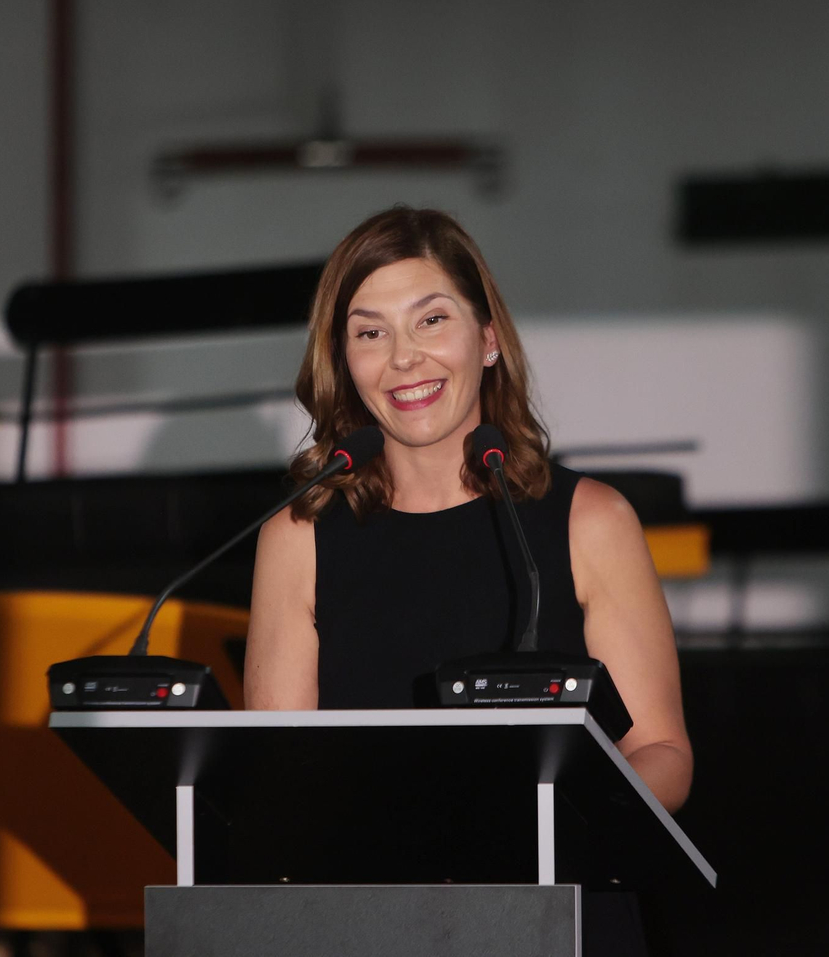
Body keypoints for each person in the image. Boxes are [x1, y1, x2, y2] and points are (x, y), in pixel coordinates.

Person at [243, 206, 692, 815]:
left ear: (488, 340)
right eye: (371, 333)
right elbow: (280, 775)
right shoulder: (298, 537)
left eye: (431, 320)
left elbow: (660, 749)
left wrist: (556, 829)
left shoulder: (590, 521)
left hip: (550, 870)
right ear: (344, 361)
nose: (404, 358)